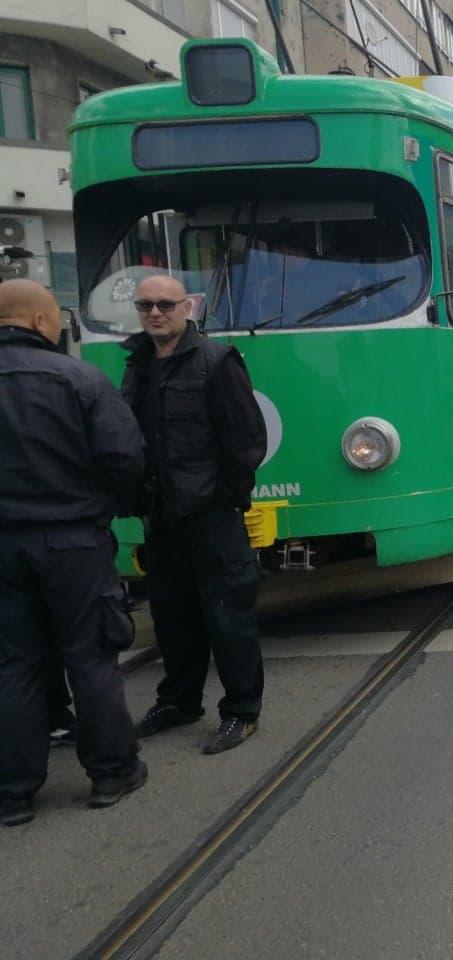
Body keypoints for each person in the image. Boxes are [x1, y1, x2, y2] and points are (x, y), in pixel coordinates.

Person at [0, 279, 147, 827]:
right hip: (72, 542)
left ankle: (13, 793)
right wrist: (103, 505)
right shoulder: (80, 379)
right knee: (90, 654)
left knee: (14, 663)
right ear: (42, 322)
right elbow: (125, 459)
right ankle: (112, 771)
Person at [121, 274, 268, 755]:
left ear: (188, 307)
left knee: (228, 617)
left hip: (210, 516)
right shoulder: (138, 364)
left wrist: (223, 498)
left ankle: (242, 711)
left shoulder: (217, 361)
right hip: (161, 516)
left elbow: (246, 441)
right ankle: (180, 700)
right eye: (145, 305)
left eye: (165, 304)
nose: (155, 313)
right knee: (173, 617)